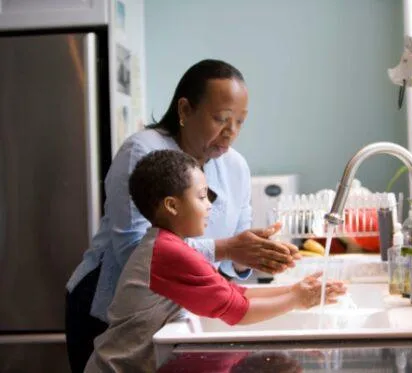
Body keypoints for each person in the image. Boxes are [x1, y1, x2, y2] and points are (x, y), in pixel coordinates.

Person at [65, 59, 300, 373]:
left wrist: (257, 254)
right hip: (106, 311)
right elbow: (134, 252)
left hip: (174, 312)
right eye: (221, 118)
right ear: (185, 110)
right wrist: (228, 248)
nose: (230, 132)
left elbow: (233, 262)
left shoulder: (235, 167)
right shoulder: (143, 151)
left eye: (240, 122)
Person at [83, 150, 346, 373]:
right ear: (172, 206)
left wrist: (295, 290)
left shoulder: (169, 245)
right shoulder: (168, 252)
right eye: (201, 196)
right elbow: (239, 311)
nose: (209, 205)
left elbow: (235, 292)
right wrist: (298, 299)